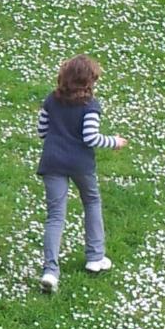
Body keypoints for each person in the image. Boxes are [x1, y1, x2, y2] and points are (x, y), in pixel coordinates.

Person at [37, 55, 128, 293]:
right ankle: (95, 257)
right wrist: (115, 141)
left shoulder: (51, 100)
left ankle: (50, 271)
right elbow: (90, 137)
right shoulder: (90, 106)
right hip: (80, 164)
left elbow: (41, 131)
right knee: (92, 201)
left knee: (55, 216)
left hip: (52, 161)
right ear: (90, 82)